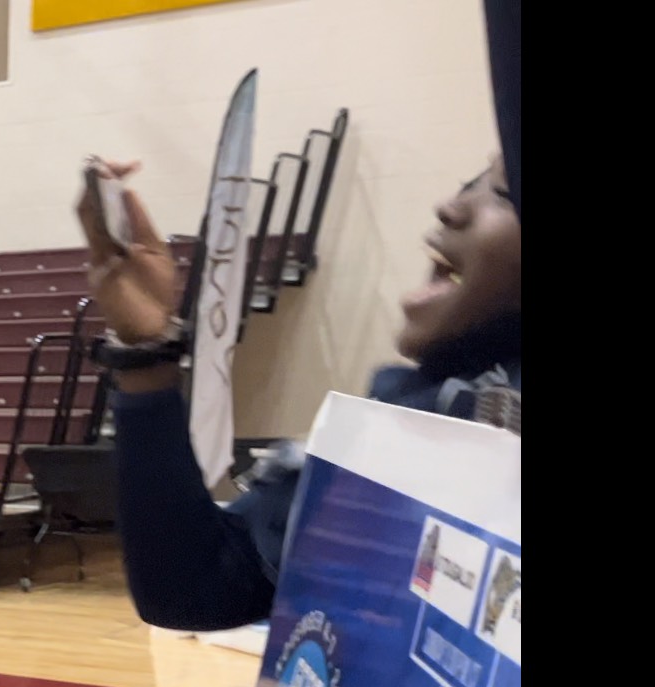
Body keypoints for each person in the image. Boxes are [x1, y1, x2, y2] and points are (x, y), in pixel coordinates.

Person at [86, 154, 518, 631]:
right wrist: (146, 354)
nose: (450, 206)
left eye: (502, 192)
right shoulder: (402, 424)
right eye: (466, 184)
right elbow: (195, 588)